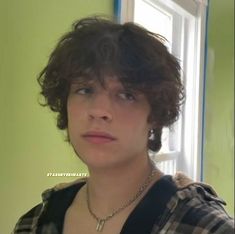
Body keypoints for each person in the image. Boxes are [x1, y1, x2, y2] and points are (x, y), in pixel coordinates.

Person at [13, 16, 234, 234]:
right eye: (85, 90)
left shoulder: (202, 227)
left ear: (155, 114)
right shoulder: (34, 223)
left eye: (126, 95)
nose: (99, 111)